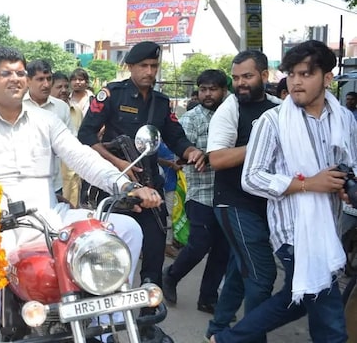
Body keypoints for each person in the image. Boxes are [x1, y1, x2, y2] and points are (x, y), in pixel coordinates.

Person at [0, 47, 155, 340]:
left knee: (127, 229)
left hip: (51, 217)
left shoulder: (46, 121)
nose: (15, 79)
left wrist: (124, 185)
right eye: (6, 73)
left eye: (20, 72)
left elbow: (82, 157)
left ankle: (110, 323)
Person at [211, 40, 354, 342]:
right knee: (330, 322)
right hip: (293, 233)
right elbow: (251, 178)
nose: (297, 82)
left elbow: (345, 166)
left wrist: (343, 186)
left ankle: (225, 339)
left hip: (329, 227)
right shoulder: (273, 121)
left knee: (295, 299)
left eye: (306, 74)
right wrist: (307, 183)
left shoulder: (343, 119)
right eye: (292, 74)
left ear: (328, 78)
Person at [78, 41, 205, 288]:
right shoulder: (112, 95)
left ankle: (149, 319)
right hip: (115, 188)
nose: (149, 71)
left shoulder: (160, 102)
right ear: (130, 66)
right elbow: (86, 135)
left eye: (154, 66)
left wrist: (191, 151)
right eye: (143, 66)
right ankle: (107, 318)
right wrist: (117, 163)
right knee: (107, 257)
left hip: (150, 187)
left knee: (154, 256)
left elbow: (175, 136)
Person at [204, 50, 281, 342]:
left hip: (267, 205)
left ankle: (217, 330)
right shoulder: (230, 109)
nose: (240, 84)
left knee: (240, 271)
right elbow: (218, 159)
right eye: (235, 78)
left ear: (264, 76)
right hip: (233, 203)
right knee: (262, 279)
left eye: (247, 76)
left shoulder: (279, 108)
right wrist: (260, 145)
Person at [162, 69, 230, 315]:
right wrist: (205, 157)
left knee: (223, 249)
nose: (208, 94)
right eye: (203, 89)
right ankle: (171, 275)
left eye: (213, 89)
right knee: (199, 244)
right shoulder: (191, 119)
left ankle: (208, 298)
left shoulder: (232, 114)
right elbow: (181, 154)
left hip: (230, 193)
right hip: (201, 192)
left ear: (224, 91)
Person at [23, 59, 72, 195]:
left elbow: (71, 143)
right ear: (28, 81)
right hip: (24, 184)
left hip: (54, 184)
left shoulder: (61, 107)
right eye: (40, 79)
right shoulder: (17, 106)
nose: (46, 84)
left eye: (49, 79)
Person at [51, 72, 83, 207]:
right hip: (55, 177)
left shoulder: (76, 110)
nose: (64, 90)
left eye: (66, 86)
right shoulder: (43, 113)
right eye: (59, 87)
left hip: (73, 173)